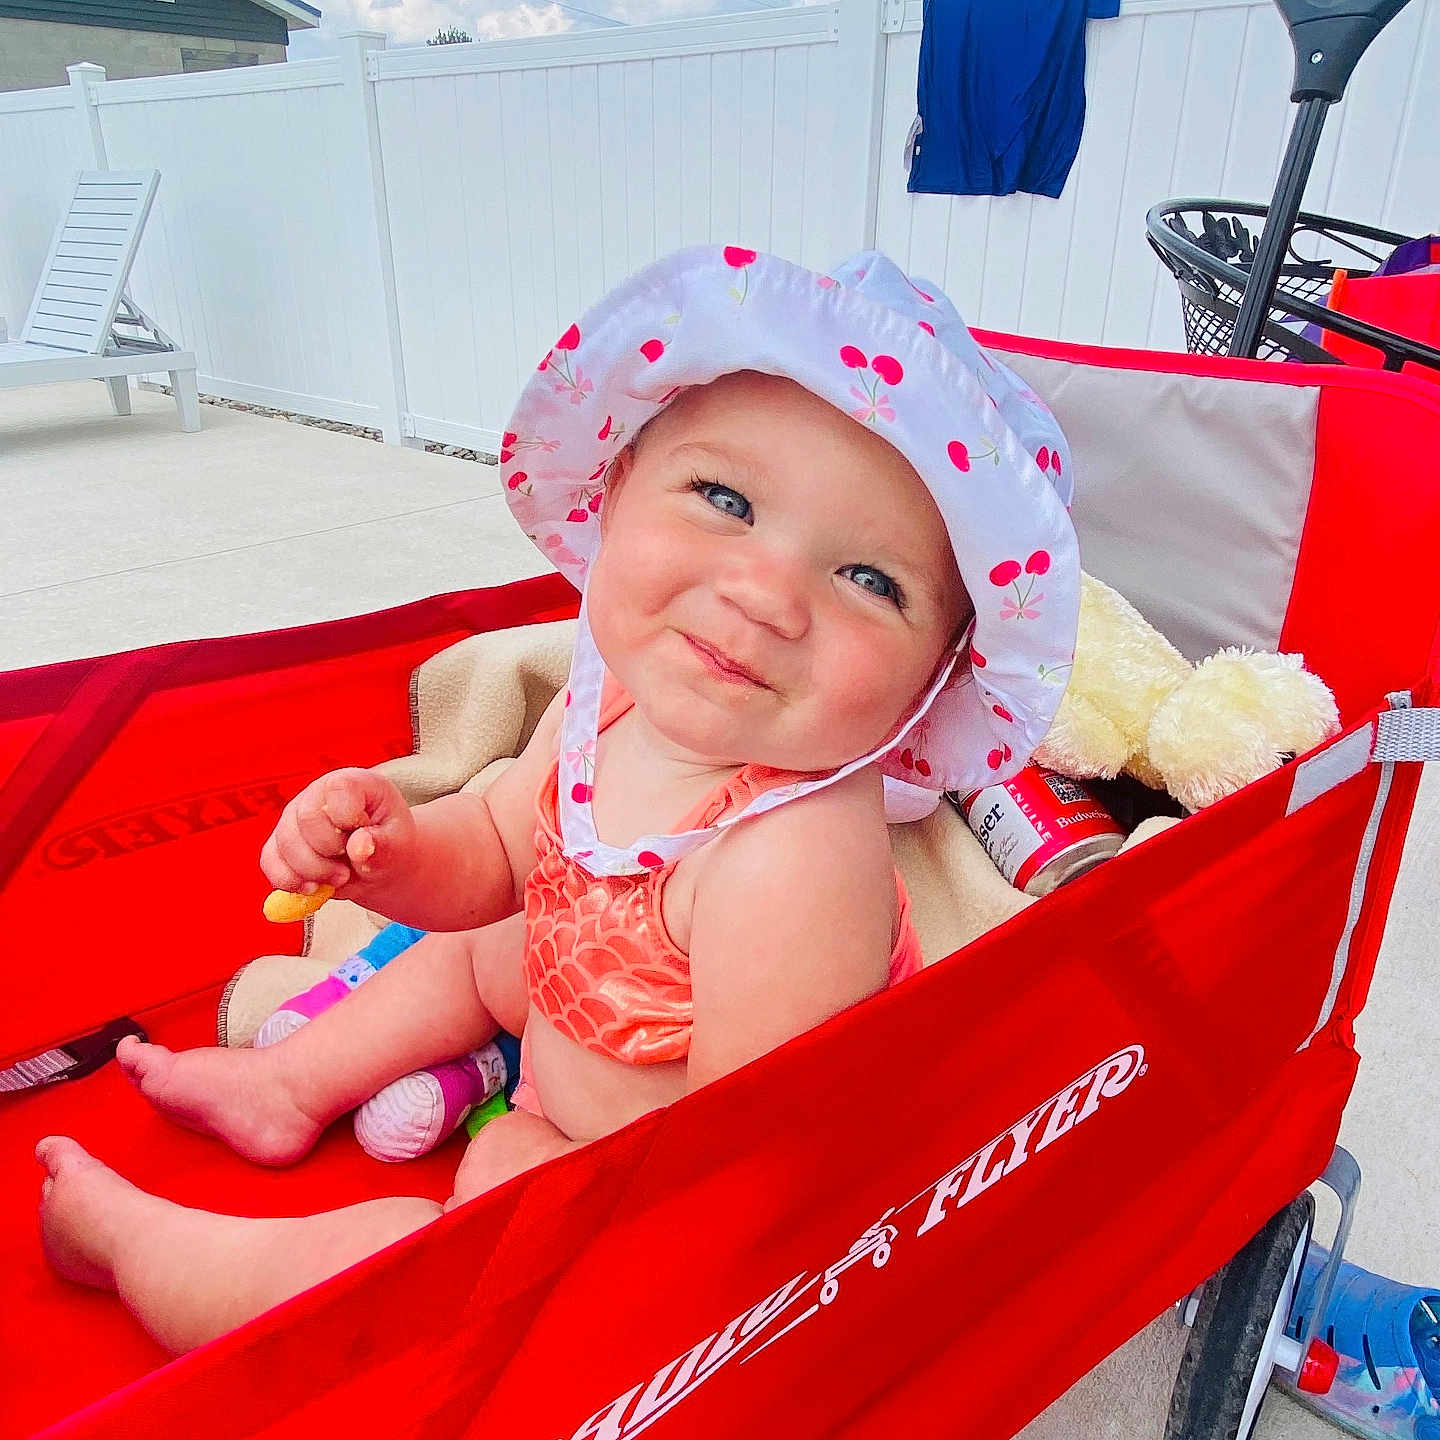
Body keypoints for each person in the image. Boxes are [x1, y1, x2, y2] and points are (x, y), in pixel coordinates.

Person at [35, 245, 1079, 1357]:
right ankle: (287, 1083)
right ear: (619, 490)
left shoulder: (793, 858)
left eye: (871, 579)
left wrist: (531, 1163)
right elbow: (496, 841)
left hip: (655, 1166)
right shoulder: (611, 704)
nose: (765, 595)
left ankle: (153, 1256)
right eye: (726, 499)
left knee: (432, 1260)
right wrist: (389, 852)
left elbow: (736, 1178)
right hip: (583, 1016)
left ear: (935, 678)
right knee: (485, 945)